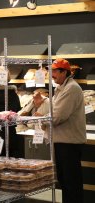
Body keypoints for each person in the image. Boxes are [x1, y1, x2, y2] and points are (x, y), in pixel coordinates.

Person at [50, 58, 86, 203]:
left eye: (54, 71)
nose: (52, 74)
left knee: (71, 184)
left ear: (64, 72)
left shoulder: (71, 88)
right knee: (66, 182)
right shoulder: (61, 88)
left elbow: (58, 116)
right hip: (62, 142)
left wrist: (41, 120)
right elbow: (54, 112)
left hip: (69, 144)